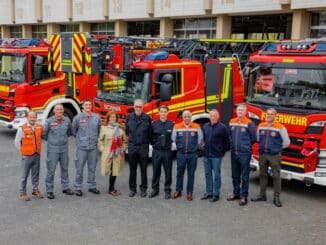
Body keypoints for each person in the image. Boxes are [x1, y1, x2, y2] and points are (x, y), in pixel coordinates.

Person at [251, 108, 290, 207]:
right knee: (263, 175)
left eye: (272, 114)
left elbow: (287, 142)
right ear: (266, 115)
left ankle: (276, 198)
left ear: (275, 116)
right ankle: (262, 195)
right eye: (268, 114)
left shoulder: (280, 127)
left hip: (274, 155)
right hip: (263, 154)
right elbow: (258, 138)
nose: (269, 116)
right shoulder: (261, 125)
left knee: (276, 176)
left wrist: (276, 149)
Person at [42, 104, 74, 199]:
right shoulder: (49, 121)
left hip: (64, 149)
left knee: (65, 169)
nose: (59, 111)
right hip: (53, 150)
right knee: (51, 170)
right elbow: (44, 134)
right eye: (57, 109)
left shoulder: (67, 120)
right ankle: (49, 190)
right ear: (54, 111)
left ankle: (65, 187)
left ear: (63, 110)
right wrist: (53, 141)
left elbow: (69, 132)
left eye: (61, 109)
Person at [227, 104, 256, 206]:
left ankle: (244, 196)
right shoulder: (232, 121)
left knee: (244, 176)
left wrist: (245, 146)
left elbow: (253, 138)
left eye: (242, 110)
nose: (239, 111)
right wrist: (232, 145)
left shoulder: (249, 123)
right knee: (235, 175)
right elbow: (229, 135)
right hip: (234, 152)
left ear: (245, 112)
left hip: (244, 153)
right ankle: (236, 193)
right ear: (236, 111)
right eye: (238, 110)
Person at [72, 99, 102, 196]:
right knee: (79, 168)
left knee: (92, 168)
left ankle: (92, 186)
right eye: (86, 105)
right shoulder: (77, 118)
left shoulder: (96, 117)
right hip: (82, 148)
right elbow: (74, 131)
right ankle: (78, 187)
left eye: (89, 105)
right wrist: (81, 140)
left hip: (93, 147)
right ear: (83, 107)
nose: (88, 106)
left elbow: (99, 129)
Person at [172, 110, 203, 201]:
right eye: (185, 116)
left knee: (191, 173)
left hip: (192, 154)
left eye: (188, 116)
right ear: (182, 117)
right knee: (179, 173)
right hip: (181, 154)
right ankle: (178, 190)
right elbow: (173, 138)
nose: (186, 118)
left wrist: (193, 147)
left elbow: (200, 139)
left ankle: (190, 192)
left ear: (191, 117)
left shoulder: (196, 126)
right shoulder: (176, 126)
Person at [201, 109, 230, 203]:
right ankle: (209, 192)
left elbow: (227, 142)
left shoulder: (223, 128)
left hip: (216, 156)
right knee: (207, 174)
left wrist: (221, 152)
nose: (212, 117)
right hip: (206, 155)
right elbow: (204, 140)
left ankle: (216, 194)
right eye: (211, 116)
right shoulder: (205, 126)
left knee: (216, 175)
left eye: (214, 116)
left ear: (218, 117)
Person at [14, 111, 43, 201]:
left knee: (35, 174)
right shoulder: (22, 128)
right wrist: (22, 151)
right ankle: (22, 193)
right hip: (26, 156)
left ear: (36, 118)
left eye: (34, 117)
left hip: (37, 154)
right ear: (27, 118)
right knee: (24, 175)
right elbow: (16, 142)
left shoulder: (39, 127)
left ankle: (35, 190)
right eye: (30, 117)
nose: (32, 119)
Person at [126, 99, 152, 198]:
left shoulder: (147, 118)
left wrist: (146, 143)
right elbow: (127, 131)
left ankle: (143, 189)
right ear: (133, 107)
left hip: (143, 147)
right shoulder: (129, 117)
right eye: (136, 106)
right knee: (132, 170)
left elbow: (150, 133)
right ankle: (132, 189)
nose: (138, 108)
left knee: (143, 169)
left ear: (143, 107)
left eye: (140, 107)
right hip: (132, 147)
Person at [98, 111, 126, 196]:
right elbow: (100, 140)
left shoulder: (121, 129)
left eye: (114, 117)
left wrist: (123, 149)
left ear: (117, 118)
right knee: (108, 169)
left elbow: (124, 141)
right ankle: (111, 188)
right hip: (108, 153)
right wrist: (103, 149)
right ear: (108, 118)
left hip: (117, 153)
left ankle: (111, 188)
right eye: (111, 117)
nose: (113, 118)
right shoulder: (104, 128)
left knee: (115, 170)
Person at [149, 105, 174, 200]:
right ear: (159, 113)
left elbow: (173, 137)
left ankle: (167, 190)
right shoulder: (154, 124)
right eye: (161, 111)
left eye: (165, 112)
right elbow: (150, 137)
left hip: (167, 152)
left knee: (168, 172)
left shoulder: (171, 124)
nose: (163, 113)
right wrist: (155, 145)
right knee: (156, 171)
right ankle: (155, 190)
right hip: (157, 151)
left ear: (167, 113)